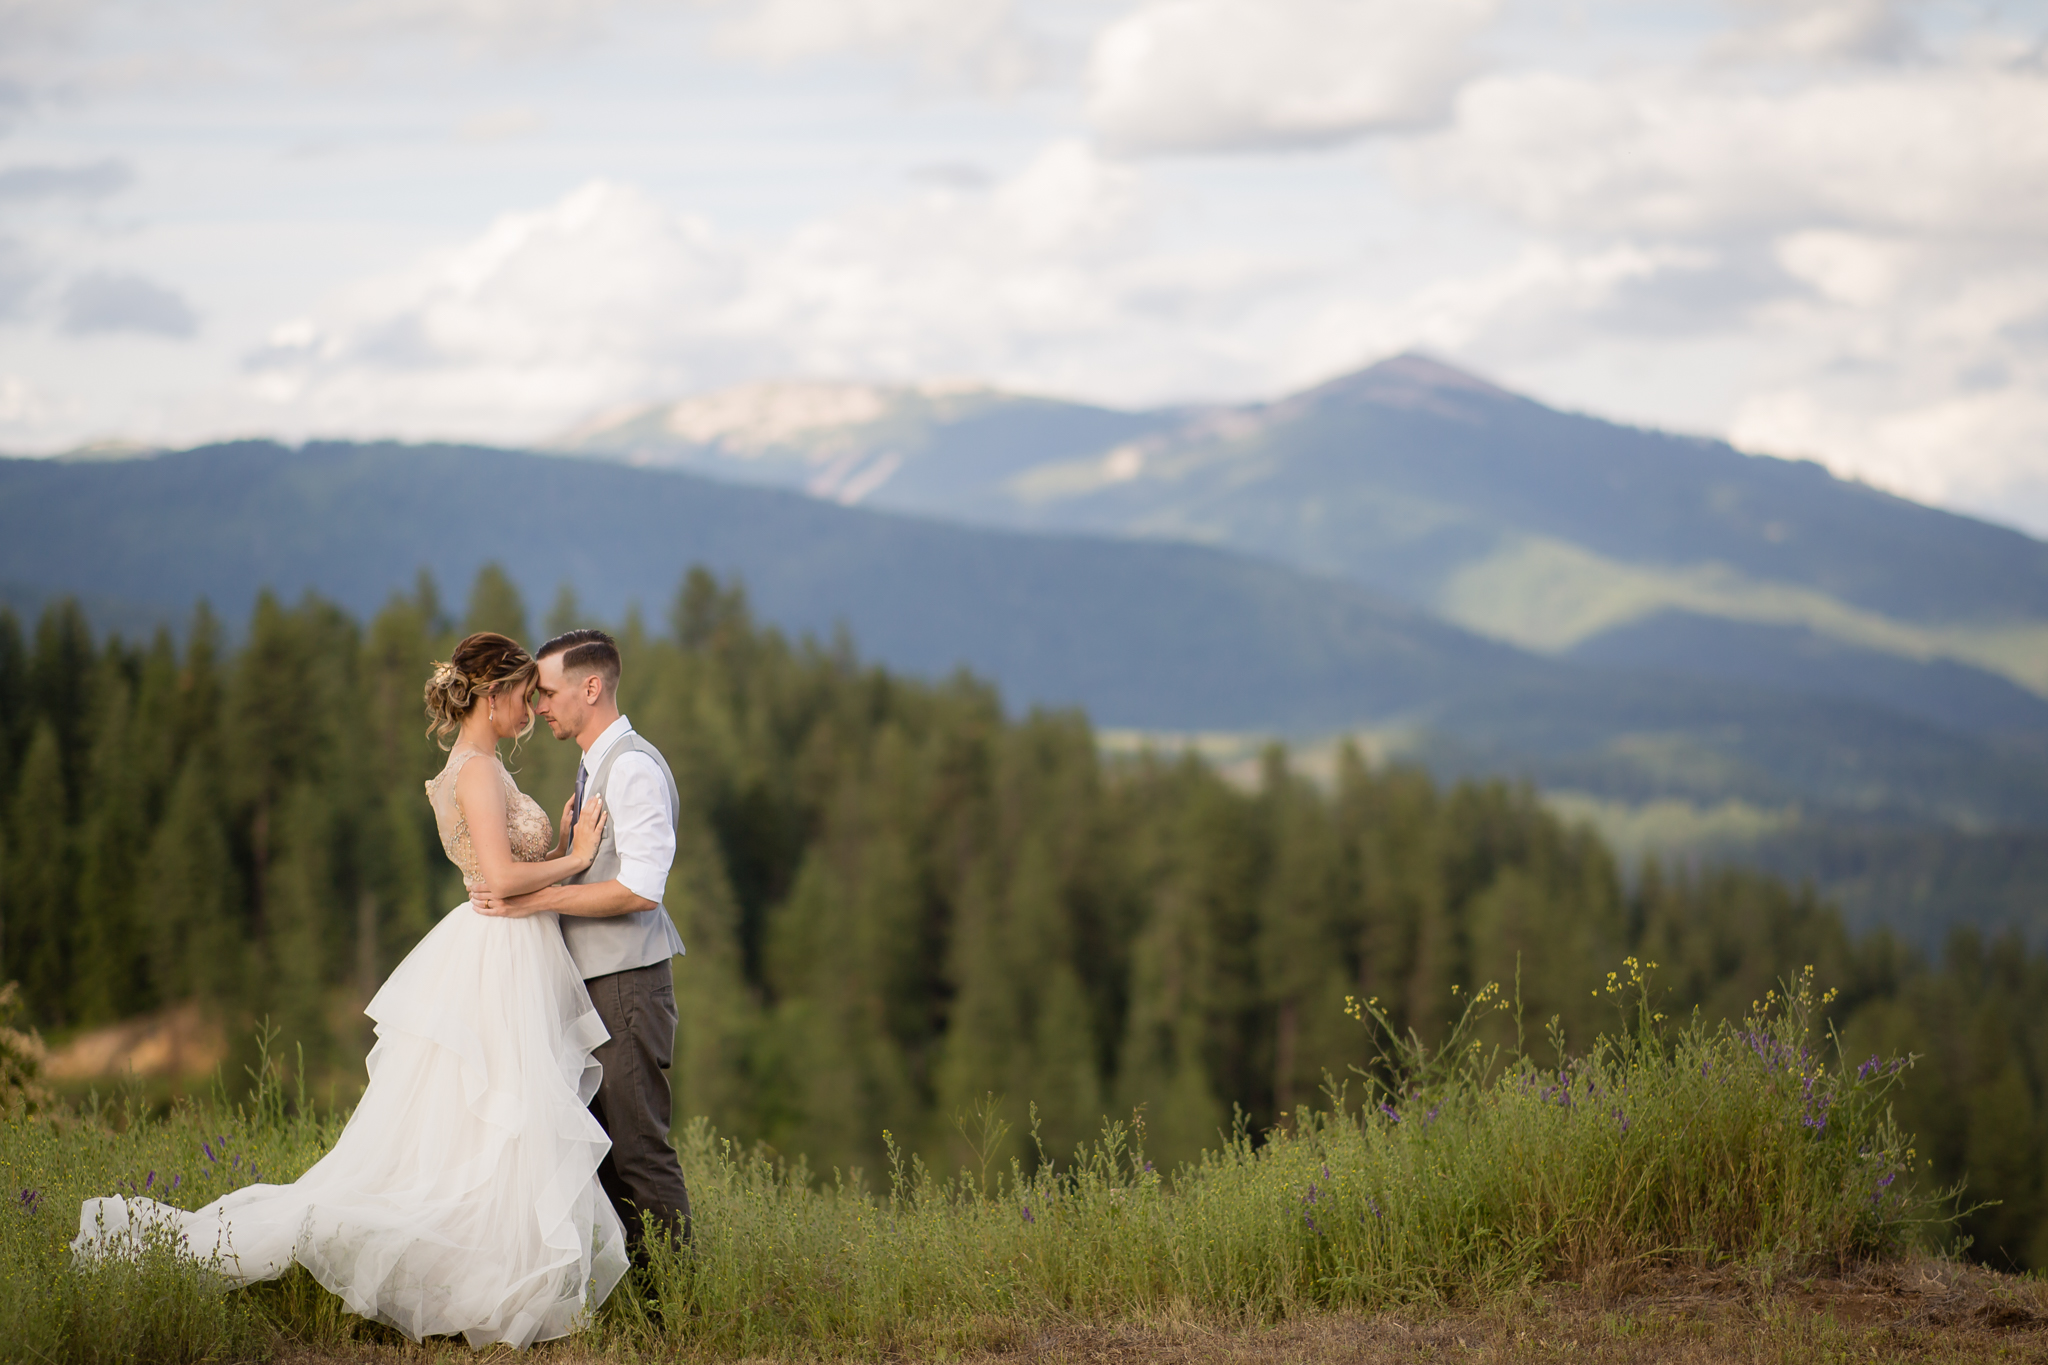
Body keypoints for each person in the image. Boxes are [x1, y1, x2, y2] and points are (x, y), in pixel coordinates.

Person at [72, 633, 630, 1350]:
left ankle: (497, 1271)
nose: (531, 709)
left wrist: (554, 847)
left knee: (495, 1124)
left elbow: (508, 871)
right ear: (492, 696)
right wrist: (576, 858)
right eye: (524, 695)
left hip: (509, 944)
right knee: (501, 1114)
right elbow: (496, 878)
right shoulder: (477, 773)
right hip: (501, 952)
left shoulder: (477, 766)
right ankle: (485, 1281)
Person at [469, 628, 692, 1259]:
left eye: (547, 692)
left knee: (637, 1149)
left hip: (628, 986)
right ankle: (638, 1293)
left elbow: (641, 889)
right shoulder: (595, 768)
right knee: (602, 1153)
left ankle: (678, 1300)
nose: (539, 705)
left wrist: (535, 899)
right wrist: (565, 856)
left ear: (590, 688)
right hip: (595, 985)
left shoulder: (634, 769)